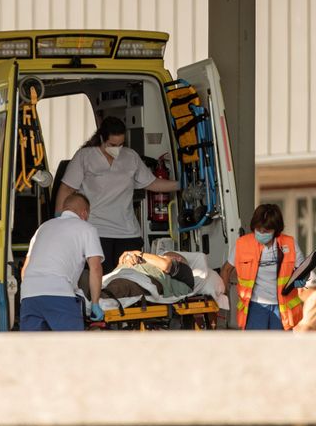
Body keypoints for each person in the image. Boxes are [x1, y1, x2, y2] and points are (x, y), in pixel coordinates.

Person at [55, 116, 179, 274]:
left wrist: (179, 185)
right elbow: (66, 188)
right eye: (113, 145)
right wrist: (59, 221)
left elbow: (151, 183)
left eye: (121, 144)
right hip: (96, 230)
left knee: (130, 277)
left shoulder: (131, 157)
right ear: (102, 139)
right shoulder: (85, 157)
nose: (117, 149)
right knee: (101, 278)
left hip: (127, 232)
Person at [20, 192, 105, 331]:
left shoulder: (43, 228)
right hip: (59, 294)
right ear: (84, 213)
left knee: (33, 344)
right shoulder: (87, 228)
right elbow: (95, 268)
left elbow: (25, 269)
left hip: (28, 296)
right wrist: (95, 303)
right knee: (70, 343)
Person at [220, 204, 307, 331]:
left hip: (282, 308)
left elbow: (304, 270)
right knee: (256, 344)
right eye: (258, 229)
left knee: (279, 344)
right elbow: (226, 269)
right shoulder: (242, 244)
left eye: (266, 231)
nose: (261, 233)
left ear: (275, 230)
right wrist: (222, 296)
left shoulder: (290, 244)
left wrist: (302, 280)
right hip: (255, 307)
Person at [103, 250, 195, 300]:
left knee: (119, 287)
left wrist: (137, 253)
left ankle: (99, 297)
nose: (160, 257)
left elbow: (165, 265)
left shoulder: (184, 269)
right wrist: (127, 259)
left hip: (144, 280)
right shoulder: (149, 262)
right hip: (121, 274)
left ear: (177, 259)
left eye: (163, 256)